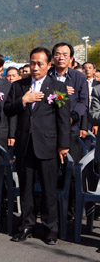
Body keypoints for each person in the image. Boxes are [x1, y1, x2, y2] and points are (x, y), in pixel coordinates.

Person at [5, 47, 70, 245]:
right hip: (25, 145)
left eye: (40, 63)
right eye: (32, 63)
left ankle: (51, 228)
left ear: (48, 65)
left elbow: (63, 119)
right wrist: (22, 101)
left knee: (49, 189)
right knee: (26, 188)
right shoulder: (19, 86)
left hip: (48, 145)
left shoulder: (57, 87)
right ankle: (26, 225)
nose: (35, 67)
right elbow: (7, 109)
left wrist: (63, 145)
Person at [48, 42, 88, 220]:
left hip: (70, 131)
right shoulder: (47, 76)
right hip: (49, 131)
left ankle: (70, 209)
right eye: (57, 54)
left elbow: (83, 102)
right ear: (52, 57)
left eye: (65, 54)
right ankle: (51, 209)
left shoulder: (78, 77)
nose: (61, 57)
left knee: (70, 172)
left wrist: (71, 117)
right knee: (50, 171)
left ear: (71, 58)